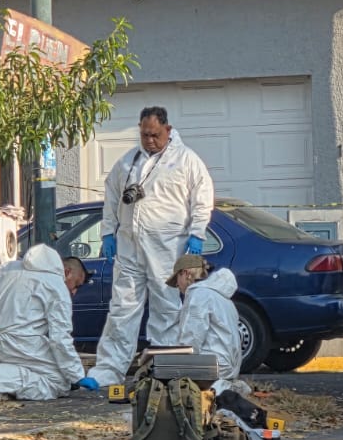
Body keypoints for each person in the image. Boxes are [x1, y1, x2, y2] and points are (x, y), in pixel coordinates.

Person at [89, 105, 215, 387]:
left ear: (168, 130)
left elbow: (203, 199)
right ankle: (107, 370)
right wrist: (109, 232)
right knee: (122, 308)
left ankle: (164, 369)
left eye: (155, 135)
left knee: (166, 308)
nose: (149, 140)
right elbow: (111, 198)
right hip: (130, 246)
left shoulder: (187, 161)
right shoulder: (127, 162)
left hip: (167, 246)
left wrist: (197, 234)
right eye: (144, 134)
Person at [0, 246, 99, 401]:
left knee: (40, 367)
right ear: (67, 272)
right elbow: (60, 339)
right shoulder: (56, 286)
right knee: (59, 382)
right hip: (16, 339)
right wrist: (77, 375)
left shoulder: (10, 268)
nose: (74, 292)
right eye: (76, 284)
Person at [169, 252, 247, 396]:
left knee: (157, 368)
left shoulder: (198, 294)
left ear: (185, 273)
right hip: (229, 367)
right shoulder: (222, 297)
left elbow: (191, 340)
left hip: (214, 365)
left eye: (177, 279)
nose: (177, 286)